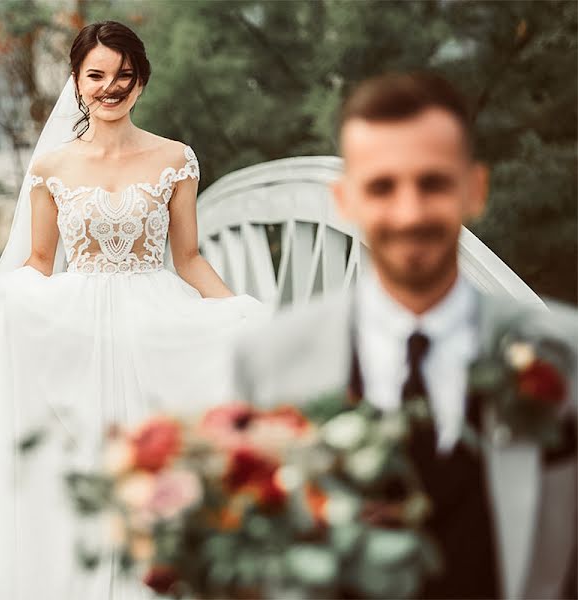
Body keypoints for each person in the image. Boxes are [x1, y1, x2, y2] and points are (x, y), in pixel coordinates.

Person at [0, 20, 265, 599]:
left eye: (124, 76)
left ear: (141, 83)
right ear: (78, 83)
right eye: (97, 75)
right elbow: (38, 258)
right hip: (75, 325)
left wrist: (240, 311)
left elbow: (187, 258)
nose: (111, 87)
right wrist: (12, 296)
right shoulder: (52, 167)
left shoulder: (176, 159)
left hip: (154, 319)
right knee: (75, 461)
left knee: (155, 460)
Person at [232, 72, 578, 599]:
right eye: (382, 187)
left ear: (475, 189)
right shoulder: (269, 362)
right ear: (344, 201)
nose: (409, 213)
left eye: (433, 183)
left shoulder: (562, 351)